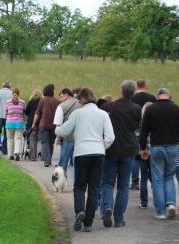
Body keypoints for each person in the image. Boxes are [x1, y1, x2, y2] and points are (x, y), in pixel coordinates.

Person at [55, 88, 115, 232]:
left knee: (80, 186)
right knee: (94, 187)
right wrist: (102, 147)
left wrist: (57, 128)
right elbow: (110, 137)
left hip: (81, 153)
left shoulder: (77, 114)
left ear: (82, 100)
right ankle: (88, 222)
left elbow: (63, 131)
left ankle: (79, 211)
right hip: (98, 153)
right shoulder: (103, 114)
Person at [139, 88, 179, 220]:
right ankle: (172, 204)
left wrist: (143, 149)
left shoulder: (150, 109)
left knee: (157, 180)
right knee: (168, 177)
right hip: (173, 146)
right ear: (169, 96)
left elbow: (143, 131)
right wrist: (175, 133)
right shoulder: (177, 109)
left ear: (157, 97)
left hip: (156, 147)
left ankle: (161, 212)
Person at [100, 80, 141, 227]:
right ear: (133, 93)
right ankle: (118, 218)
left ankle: (107, 207)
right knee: (123, 186)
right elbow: (136, 127)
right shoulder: (136, 108)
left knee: (107, 183)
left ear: (121, 91)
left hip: (110, 149)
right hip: (128, 149)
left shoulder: (108, 106)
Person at [130, 80, 157, 190]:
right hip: (151, 127)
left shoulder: (132, 98)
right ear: (146, 86)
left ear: (136, 87)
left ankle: (135, 181)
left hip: (137, 126)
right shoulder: (152, 98)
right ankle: (152, 178)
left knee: (136, 156)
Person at [54, 88, 81, 176]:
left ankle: (60, 183)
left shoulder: (61, 106)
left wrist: (58, 138)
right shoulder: (81, 104)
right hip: (80, 137)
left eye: (61, 97)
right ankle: (77, 185)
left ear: (66, 95)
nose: (61, 99)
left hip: (67, 137)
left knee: (63, 162)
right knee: (77, 163)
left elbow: (58, 124)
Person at [32, 84, 59, 167]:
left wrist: (33, 123)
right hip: (54, 125)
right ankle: (49, 159)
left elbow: (37, 113)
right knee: (51, 143)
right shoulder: (57, 101)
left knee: (45, 142)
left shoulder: (42, 100)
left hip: (44, 124)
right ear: (52, 91)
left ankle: (47, 160)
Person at [138, 102, 153, 209]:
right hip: (155, 153)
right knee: (156, 178)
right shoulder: (157, 123)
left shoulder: (141, 123)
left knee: (143, 178)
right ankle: (159, 198)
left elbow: (138, 137)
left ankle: (144, 202)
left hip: (143, 153)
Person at [0, 81, 12, 155]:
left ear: (2, 85)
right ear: (9, 86)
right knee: (7, 133)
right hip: (9, 116)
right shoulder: (12, 93)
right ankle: (4, 150)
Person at [5, 88, 26, 161]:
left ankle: (10, 155)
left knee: (10, 140)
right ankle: (17, 153)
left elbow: (6, 112)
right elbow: (23, 112)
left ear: (12, 94)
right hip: (19, 123)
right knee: (18, 139)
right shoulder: (22, 102)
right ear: (19, 94)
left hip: (9, 123)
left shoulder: (8, 102)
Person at [25, 89, 43, 161]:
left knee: (32, 139)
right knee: (40, 139)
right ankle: (40, 151)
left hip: (32, 123)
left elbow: (26, 112)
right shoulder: (42, 102)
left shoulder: (31, 102)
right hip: (41, 122)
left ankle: (33, 156)